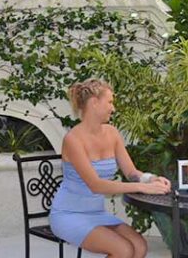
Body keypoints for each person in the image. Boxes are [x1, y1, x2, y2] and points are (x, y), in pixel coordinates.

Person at [51, 79, 171, 258]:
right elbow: (96, 185)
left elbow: (131, 172)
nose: (113, 108)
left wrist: (151, 179)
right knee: (123, 250)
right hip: (69, 214)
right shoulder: (73, 139)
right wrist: (142, 187)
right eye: (110, 102)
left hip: (96, 213)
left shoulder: (112, 133)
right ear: (94, 103)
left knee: (139, 247)